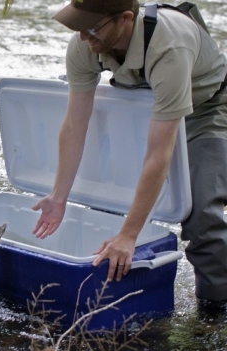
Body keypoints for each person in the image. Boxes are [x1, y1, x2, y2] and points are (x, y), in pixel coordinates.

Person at [32, 0, 227, 302]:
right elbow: (74, 124)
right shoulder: (85, 43)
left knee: (200, 211)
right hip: (146, 103)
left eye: (92, 27)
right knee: (109, 196)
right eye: (78, 27)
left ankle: (216, 309)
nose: (84, 37)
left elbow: (157, 154)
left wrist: (129, 236)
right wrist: (59, 196)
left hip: (208, 107)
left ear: (125, 19)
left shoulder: (169, 46)